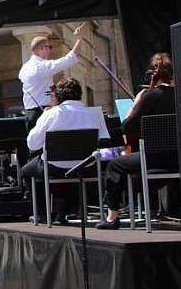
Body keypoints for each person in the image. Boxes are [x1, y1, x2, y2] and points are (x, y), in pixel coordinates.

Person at [100, 53, 176, 229]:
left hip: (153, 157)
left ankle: (112, 218)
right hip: (177, 157)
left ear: (152, 73)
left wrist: (135, 104)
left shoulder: (151, 97)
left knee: (114, 165)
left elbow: (126, 128)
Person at [21, 78, 107, 224]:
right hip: (84, 166)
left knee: (26, 171)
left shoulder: (51, 114)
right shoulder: (93, 114)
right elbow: (104, 139)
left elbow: (32, 144)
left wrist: (44, 117)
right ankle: (64, 211)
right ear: (79, 94)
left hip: (54, 166)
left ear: (58, 96)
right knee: (79, 174)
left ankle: (43, 214)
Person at [19, 24, 84, 131]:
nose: (50, 50)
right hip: (43, 111)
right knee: (49, 144)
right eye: (49, 47)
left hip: (29, 114)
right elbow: (70, 59)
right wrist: (79, 39)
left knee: (35, 146)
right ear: (42, 48)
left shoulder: (24, 68)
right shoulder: (42, 67)